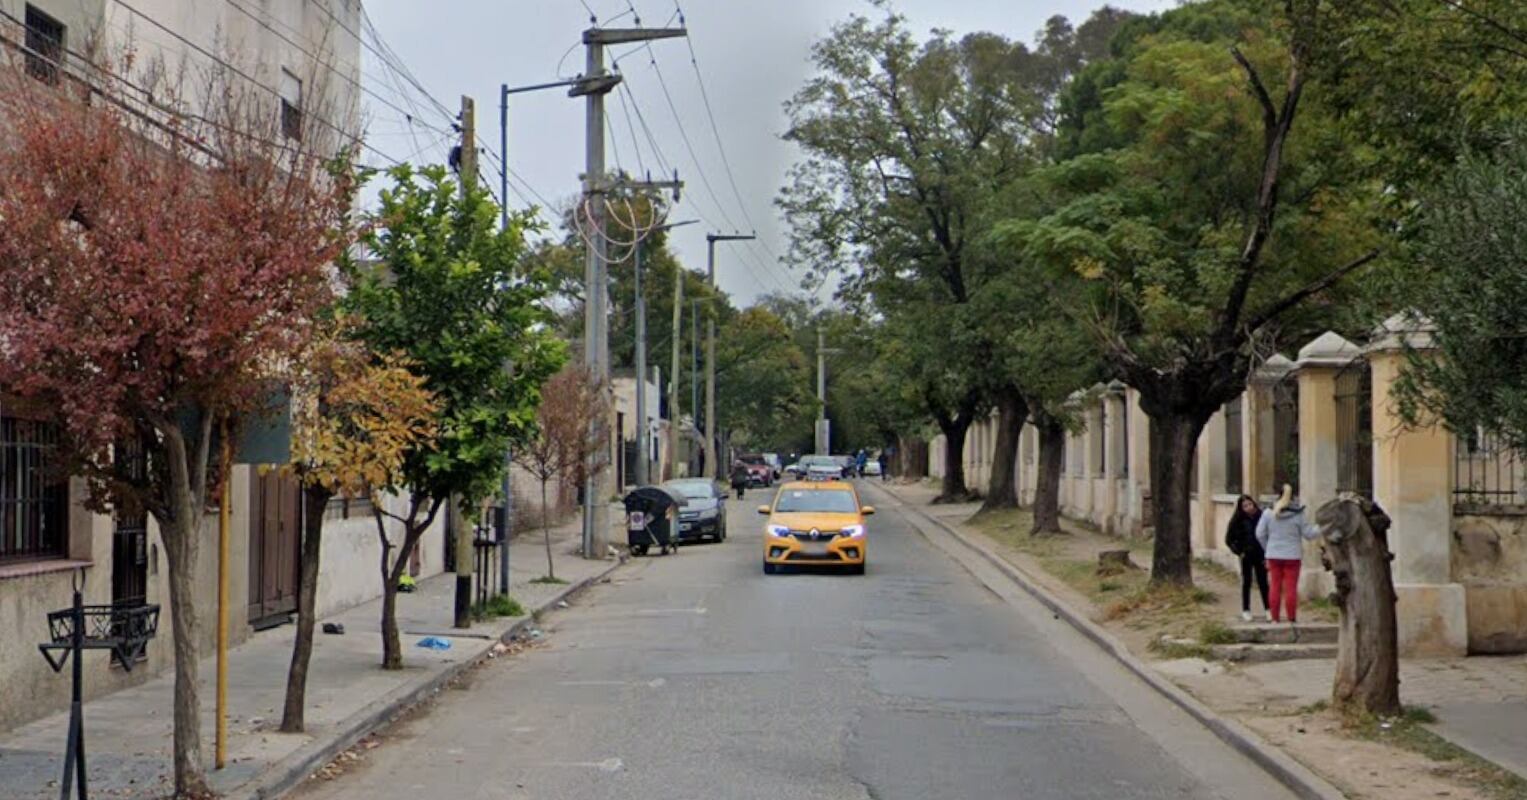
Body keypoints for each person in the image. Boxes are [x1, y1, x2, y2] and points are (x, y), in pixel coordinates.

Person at [1255, 484, 1321, 623]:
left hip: (1273, 555)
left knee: (1274, 586)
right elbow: (1309, 534)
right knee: (1290, 587)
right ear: (1294, 497)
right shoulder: (1298, 514)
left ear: (1278, 495)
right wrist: (1324, 527)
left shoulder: (1268, 513)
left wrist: (1268, 549)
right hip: (1293, 556)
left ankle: (1275, 618)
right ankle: (1291, 618)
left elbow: (1259, 534)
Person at [1225, 495, 1269, 622]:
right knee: (1247, 582)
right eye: (1245, 506)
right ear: (1241, 508)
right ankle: (1246, 609)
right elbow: (1229, 539)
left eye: (1250, 504)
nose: (1249, 508)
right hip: (1246, 555)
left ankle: (1268, 609)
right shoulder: (1237, 520)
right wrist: (1239, 551)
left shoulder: (1262, 517)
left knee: (1263, 583)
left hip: (1260, 554)